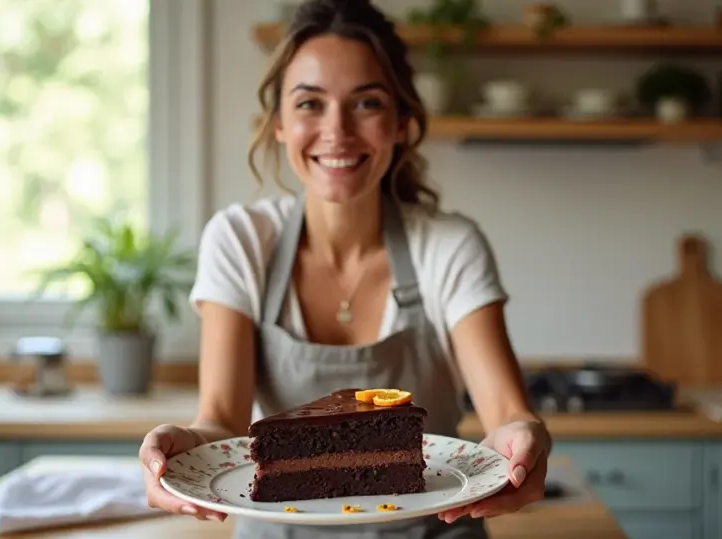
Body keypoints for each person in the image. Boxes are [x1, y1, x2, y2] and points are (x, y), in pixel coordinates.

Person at [139, 0, 553, 537]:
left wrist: (521, 439)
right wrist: (182, 448)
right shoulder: (241, 240)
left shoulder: (449, 246)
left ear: (402, 123)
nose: (337, 131)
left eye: (367, 103)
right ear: (279, 125)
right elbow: (220, 422)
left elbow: (506, 414)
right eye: (310, 103)